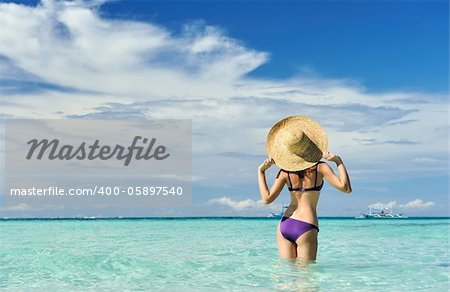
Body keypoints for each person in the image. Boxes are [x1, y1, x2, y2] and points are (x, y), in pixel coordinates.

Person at [258, 116, 351, 262]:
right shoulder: (321, 167)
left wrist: (261, 172)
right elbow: (346, 188)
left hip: (285, 223)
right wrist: (338, 162)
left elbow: (266, 199)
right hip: (306, 225)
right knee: (306, 279)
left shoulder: (284, 173)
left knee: (287, 276)